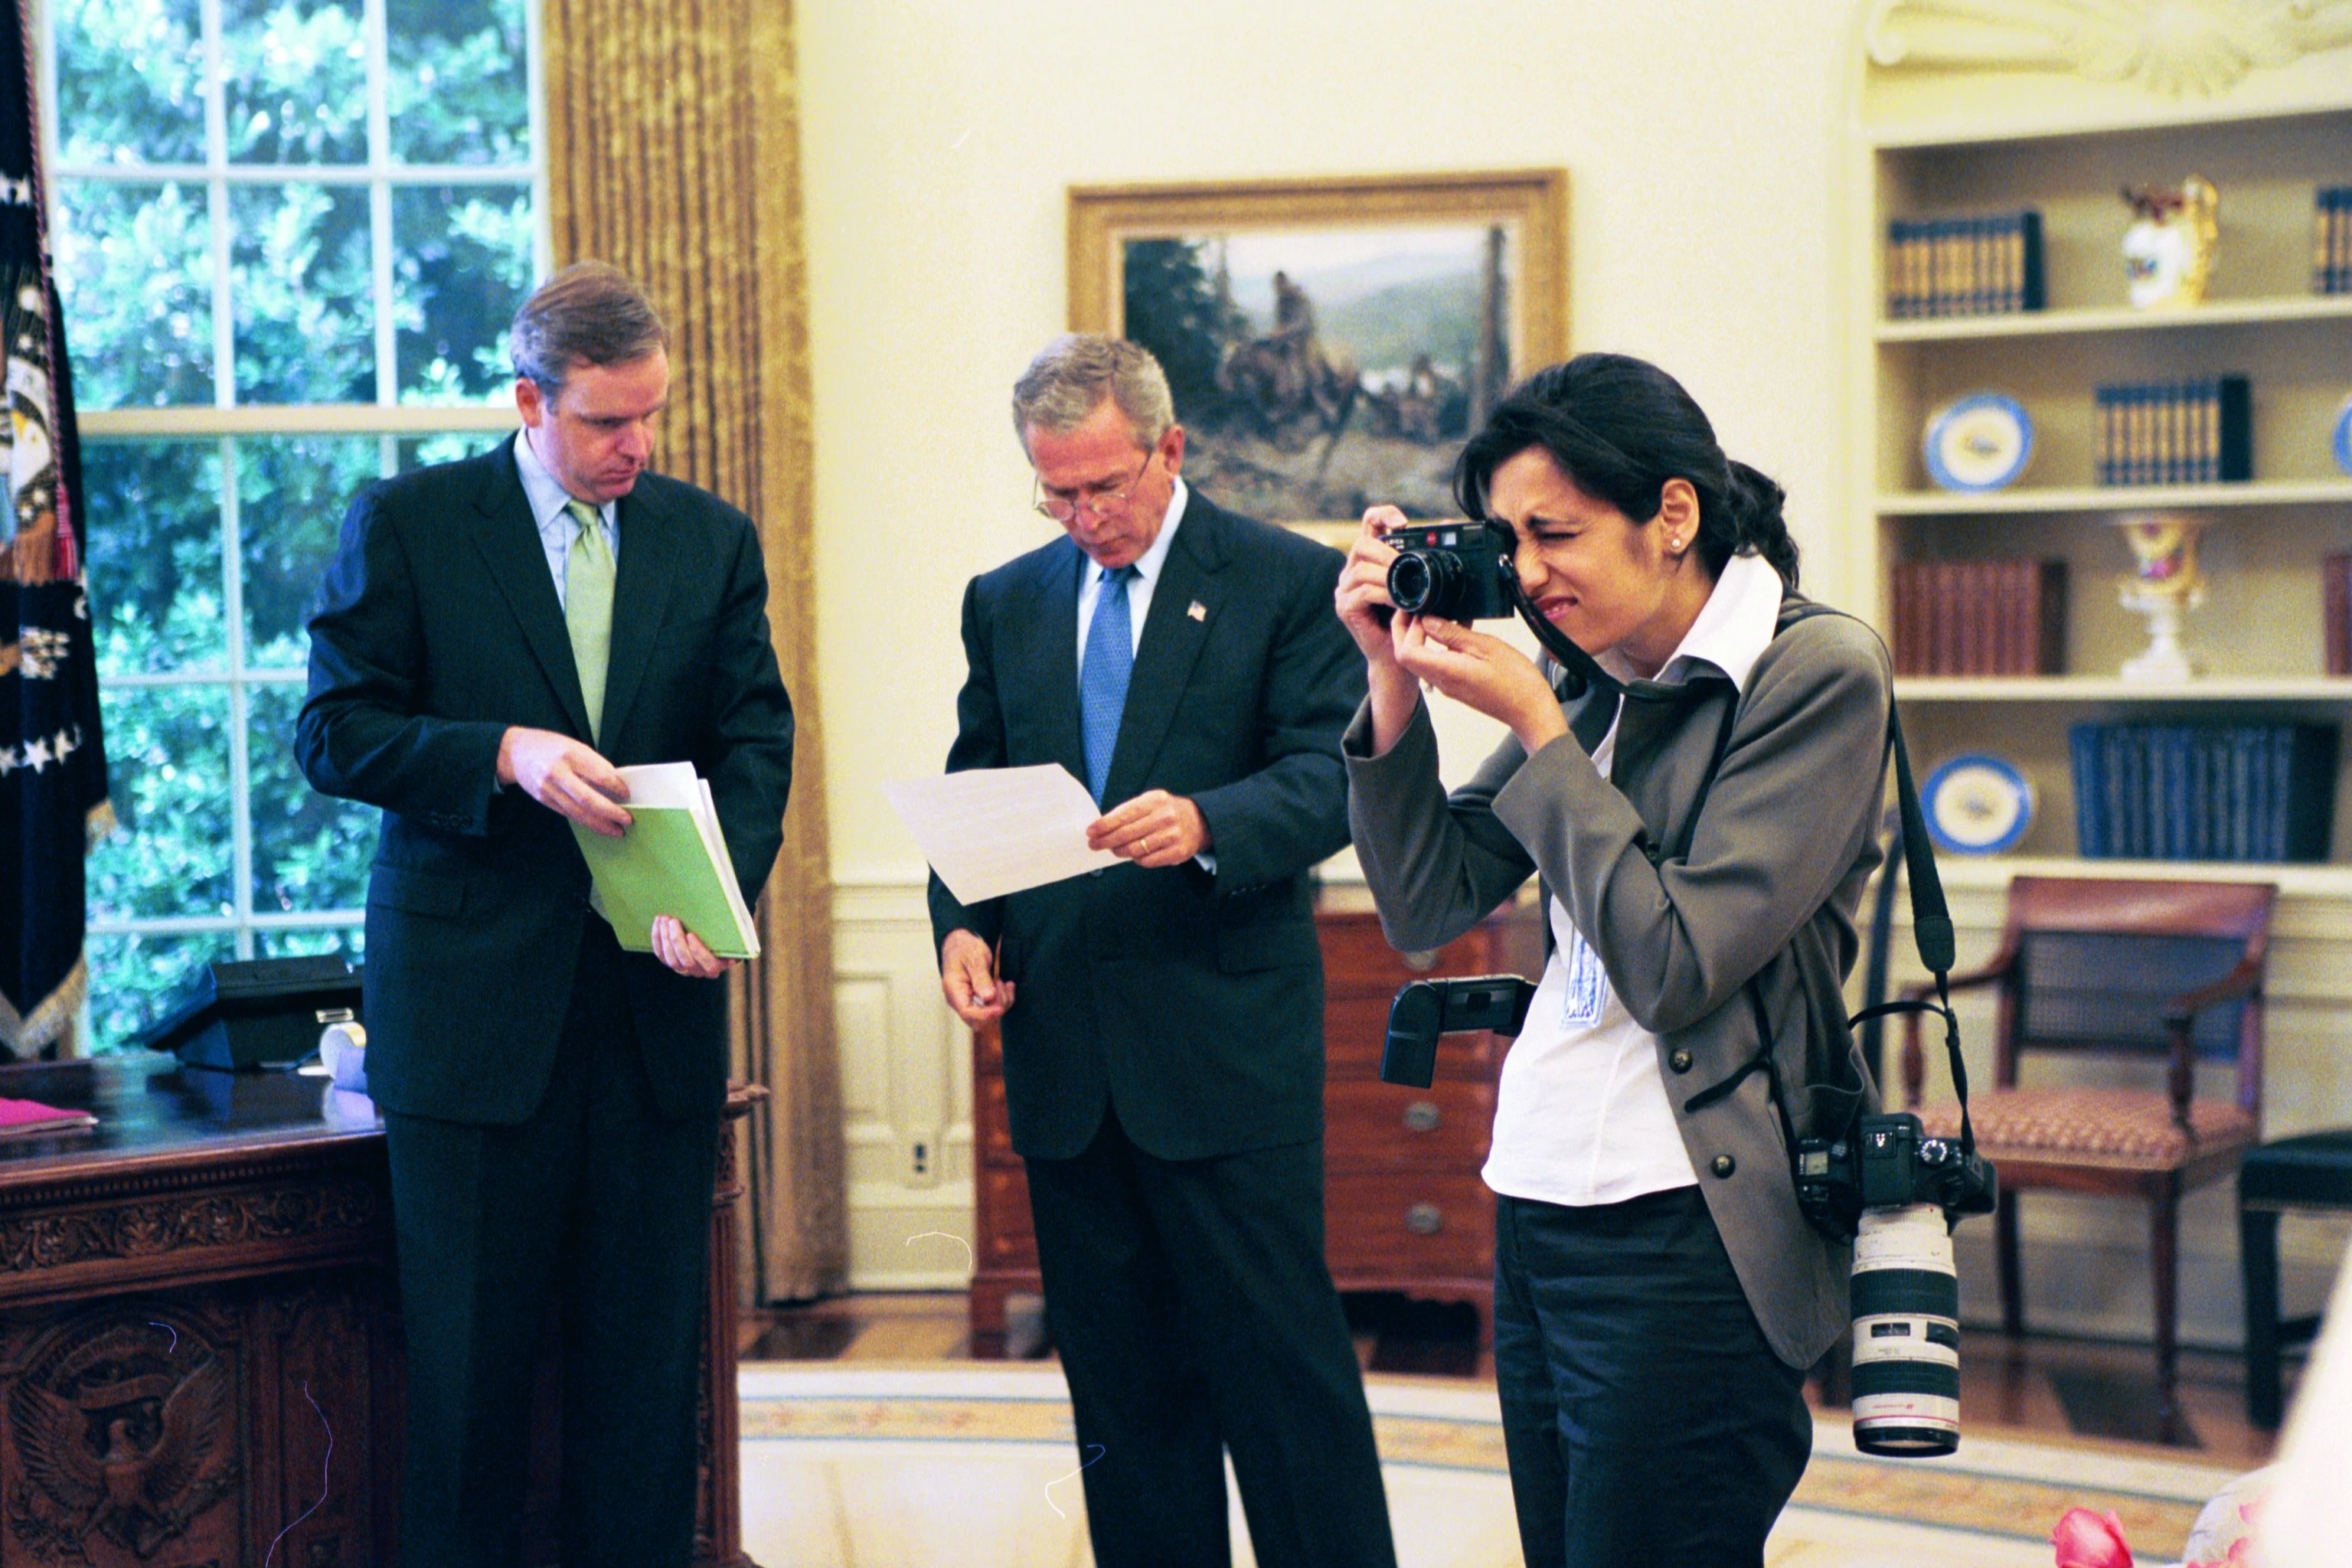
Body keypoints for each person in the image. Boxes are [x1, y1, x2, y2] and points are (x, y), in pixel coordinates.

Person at [1334, 352, 1892, 1567]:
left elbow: (1678, 961)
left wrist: (1538, 722)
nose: (1526, 574)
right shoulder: (1600, 685)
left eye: (1556, 535)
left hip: (1693, 1227)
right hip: (1541, 1201)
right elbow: (1426, 899)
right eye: (1507, 541)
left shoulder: (1814, 677)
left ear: (1672, 515)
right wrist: (1389, 677)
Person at [296, 262, 795, 1568]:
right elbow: (334, 735)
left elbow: (756, 745)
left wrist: (719, 896)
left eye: (651, 417)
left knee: (644, 1398)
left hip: (655, 1018)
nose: (637, 446)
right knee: (467, 1396)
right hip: (472, 1026)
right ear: (530, 399)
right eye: (605, 421)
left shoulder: (710, 537)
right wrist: (500, 753)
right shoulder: (410, 524)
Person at [929, 333, 1393, 1568]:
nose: (1083, 517)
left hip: (1224, 1060)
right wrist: (962, 926)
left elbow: (1333, 780)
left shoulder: (1286, 580)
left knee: (1285, 1396)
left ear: (1169, 448)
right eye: (1057, 492)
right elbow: (976, 786)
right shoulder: (1008, 599)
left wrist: (1207, 823)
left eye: (1104, 487)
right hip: (1068, 1066)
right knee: (1124, 1406)